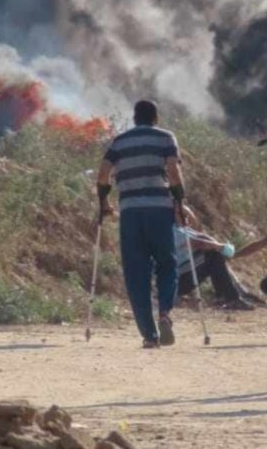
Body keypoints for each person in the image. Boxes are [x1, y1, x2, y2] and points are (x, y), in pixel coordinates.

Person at [97, 100, 185, 349]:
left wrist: (103, 202)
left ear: (134, 118)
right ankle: (165, 312)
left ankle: (149, 335)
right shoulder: (166, 138)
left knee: (136, 273)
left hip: (130, 213)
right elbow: (173, 171)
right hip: (159, 209)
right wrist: (179, 202)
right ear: (155, 118)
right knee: (167, 264)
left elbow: (103, 173)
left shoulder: (119, 142)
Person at [172, 207, 256, 310]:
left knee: (213, 256)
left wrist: (218, 246)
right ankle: (230, 299)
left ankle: (223, 297)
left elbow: (221, 248)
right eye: (183, 216)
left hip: (182, 277)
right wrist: (220, 246)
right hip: (177, 281)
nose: (187, 219)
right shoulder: (176, 232)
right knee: (213, 256)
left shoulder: (187, 231)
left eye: (187, 216)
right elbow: (222, 249)